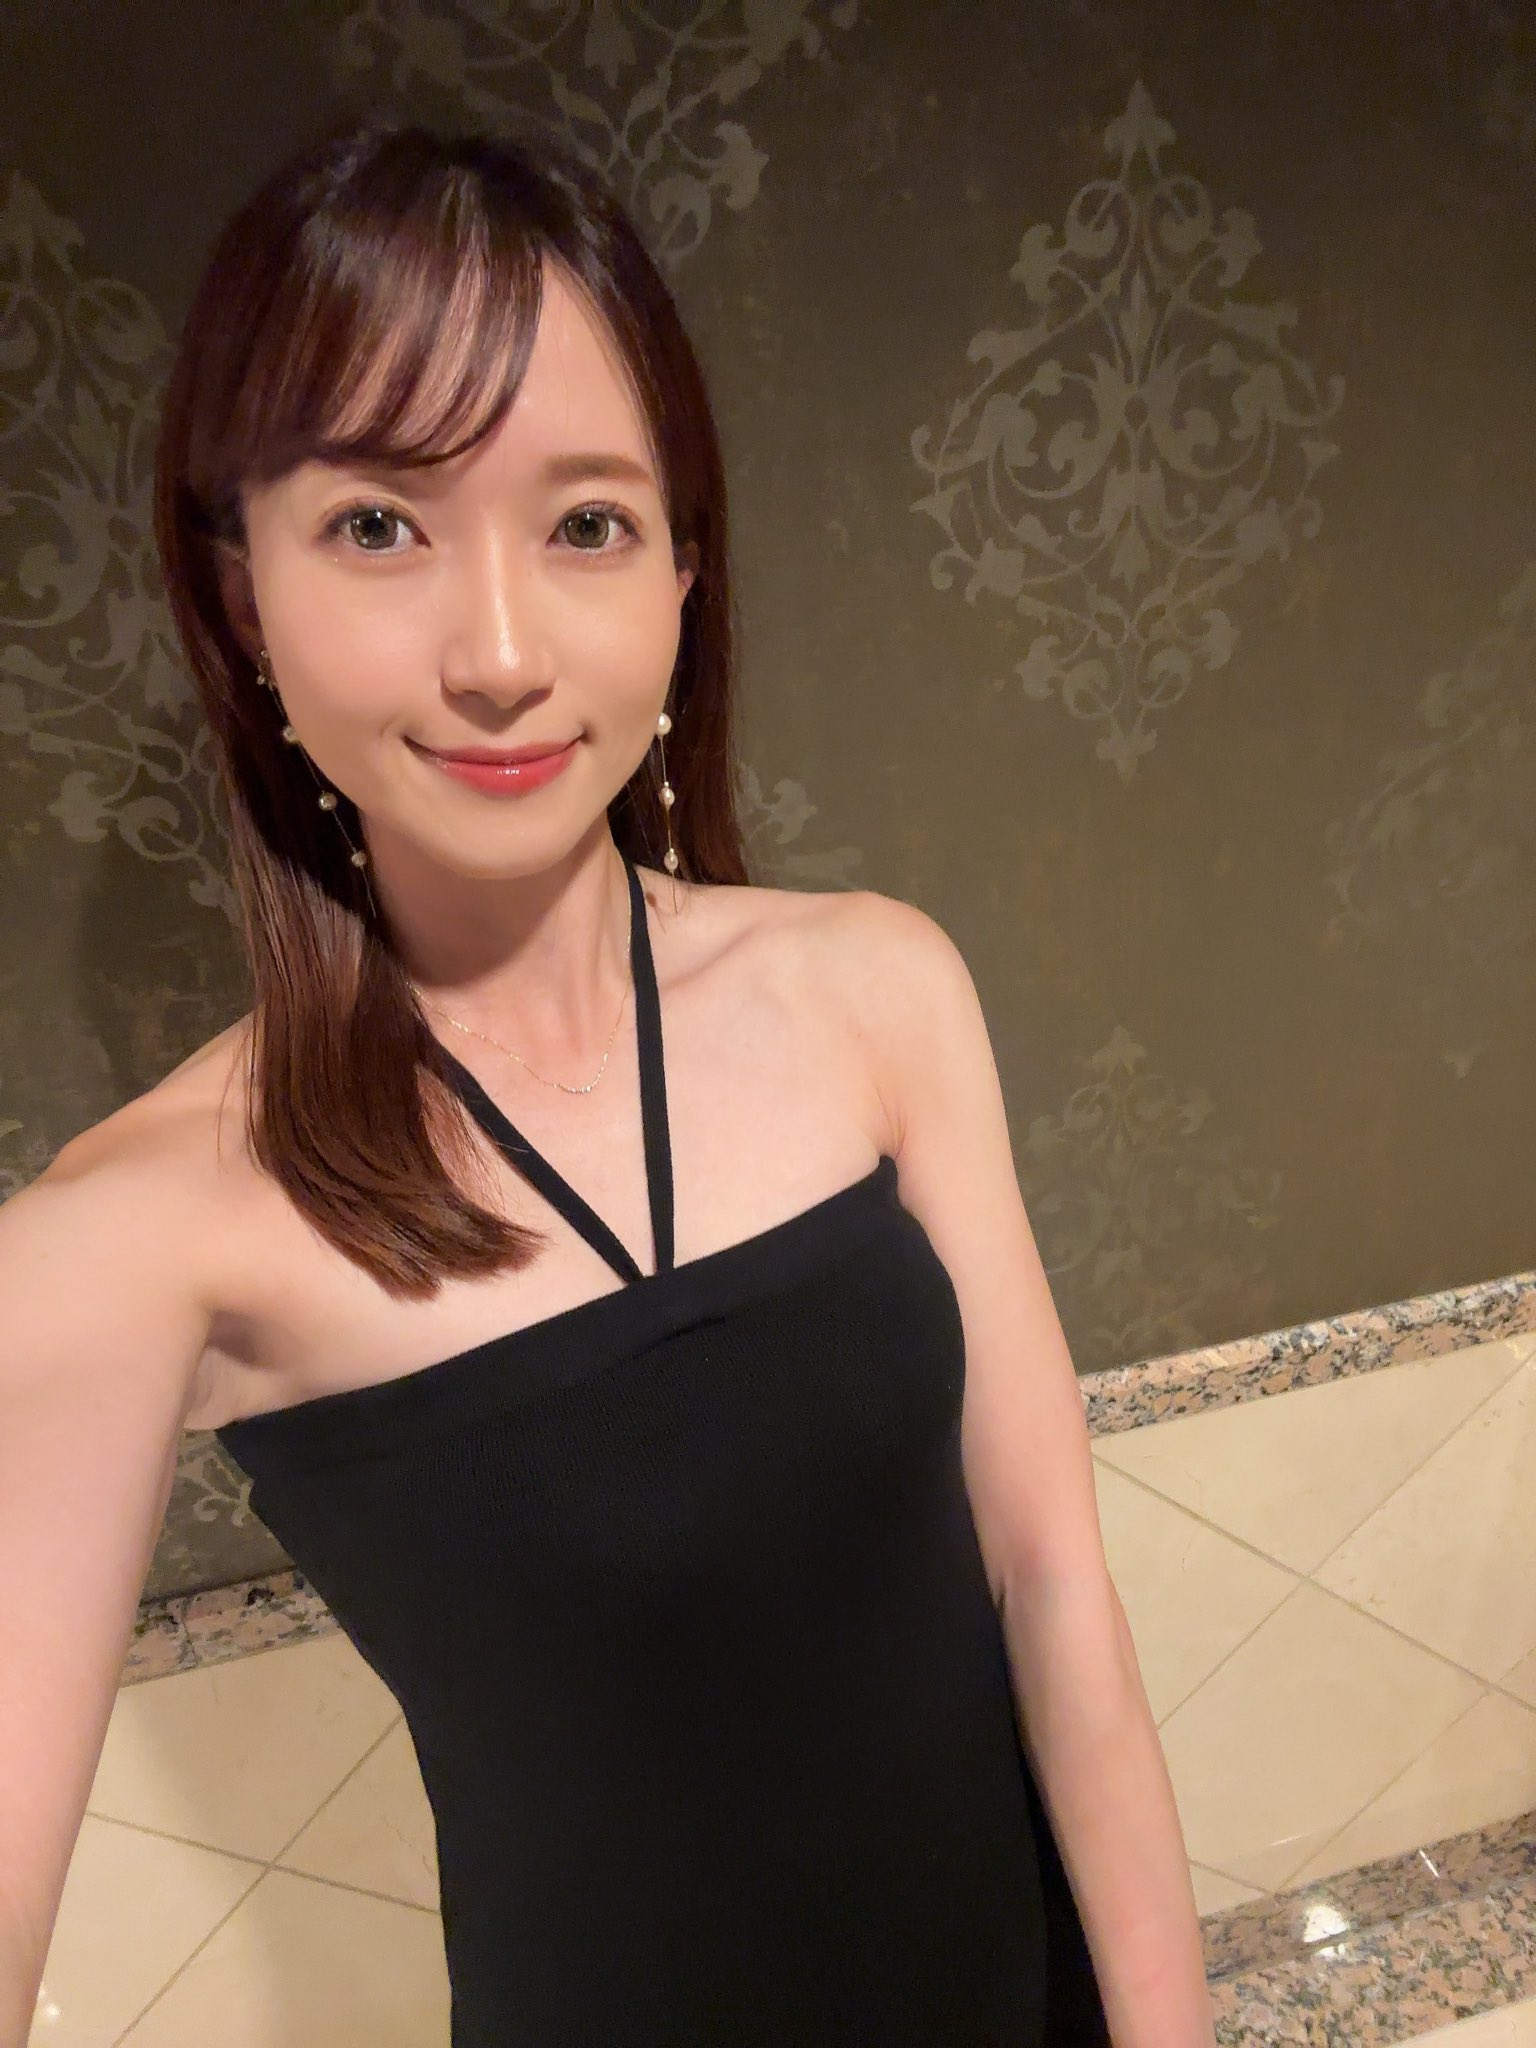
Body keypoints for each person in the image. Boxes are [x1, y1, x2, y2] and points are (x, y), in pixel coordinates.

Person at [0, 120, 1216, 2046]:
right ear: (241, 599)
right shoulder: (136, 1232)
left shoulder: (878, 987)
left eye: (586, 525)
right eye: (377, 525)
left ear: (681, 576)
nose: (500, 653)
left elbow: (1054, 1581)